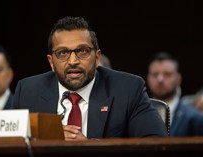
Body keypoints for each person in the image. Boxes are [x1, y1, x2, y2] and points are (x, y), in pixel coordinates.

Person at [12, 16, 168, 140]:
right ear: (51, 62)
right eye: (62, 53)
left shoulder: (128, 89)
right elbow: (10, 145)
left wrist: (89, 147)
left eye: (83, 51)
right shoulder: (27, 92)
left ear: (97, 57)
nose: (73, 61)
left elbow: (156, 144)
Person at [147, 52, 203, 136]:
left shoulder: (196, 118)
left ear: (178, 79)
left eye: (167, 74)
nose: (160, 79)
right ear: (148, 78)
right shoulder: (136, 115)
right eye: (155, 74)